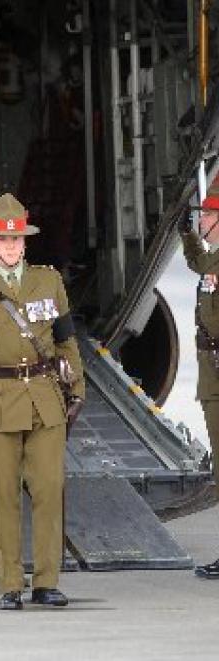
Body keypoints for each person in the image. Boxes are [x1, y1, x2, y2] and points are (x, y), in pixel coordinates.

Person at [0, 193, 85, 610]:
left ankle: (46, 580)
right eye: (3, 241)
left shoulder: (48, 281)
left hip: (45, 398)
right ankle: (9, 582)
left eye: (17, 240)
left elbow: (65, 340)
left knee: (48, 489)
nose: (10, 247)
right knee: (1, 494)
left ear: (25, 242)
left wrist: (76, 389)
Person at [179, 194, 219, 579]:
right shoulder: (212, 258)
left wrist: (190, 238)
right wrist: (189, 236)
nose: (204, 219)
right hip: (212, 372)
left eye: (208, 214)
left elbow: (203, 263)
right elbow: (199, 263)